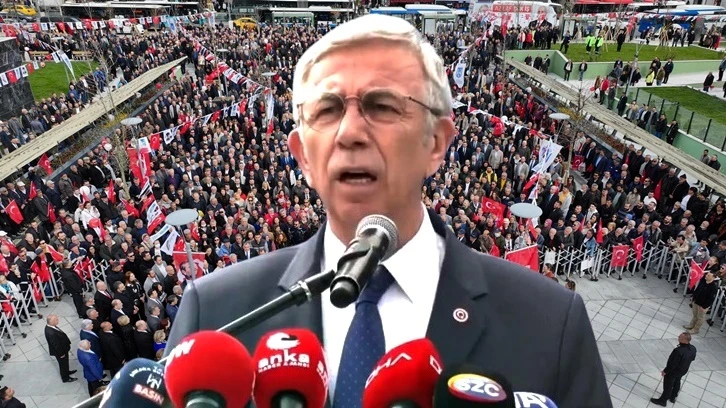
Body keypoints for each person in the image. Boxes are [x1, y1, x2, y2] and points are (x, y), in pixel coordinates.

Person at [166, 14, 610, 407]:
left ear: (436, 143)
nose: (349, 132)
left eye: (381, 106)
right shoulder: (217, 315)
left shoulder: (550, 323)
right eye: (327, 109)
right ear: (302, 156)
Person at [650, 332, 697, 406]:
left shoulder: (678, 351)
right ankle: (673, 397)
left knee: (668, 386)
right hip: (683, 370)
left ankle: (663, 400)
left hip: (673, 372)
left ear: (684, 340)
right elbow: (693, 358)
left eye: (680, 337)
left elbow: (672, 364)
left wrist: (665, 371)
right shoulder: (693, 348)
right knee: (677, 382)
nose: (678, 338)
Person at [44, 314, 77, 383]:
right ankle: (65, 378)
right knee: (63, 364)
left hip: (63, 348)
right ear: (51, 322)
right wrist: (61, 354)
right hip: (60, 352)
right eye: (56, 320)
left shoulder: (52, 326)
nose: (58, 320)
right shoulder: (51, 332)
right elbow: (56, 345)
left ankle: (67, 371)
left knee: (65, 363)